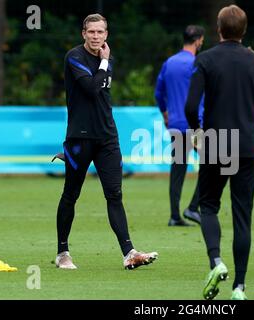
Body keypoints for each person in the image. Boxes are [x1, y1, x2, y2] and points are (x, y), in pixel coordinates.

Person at [185, 5, 254, 300]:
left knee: (209, 207)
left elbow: (190, 106)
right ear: (245, 30)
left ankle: (216, 261)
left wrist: (197, 131)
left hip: (216, 143)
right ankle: (239, 286)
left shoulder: (206, 59)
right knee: (242, 217)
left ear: (219, 28)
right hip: (248, 146)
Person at [55, 14, 158, 270]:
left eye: (100, 32)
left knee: (115, 195)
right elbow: (91, 88)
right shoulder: (75, 57)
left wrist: (104, 62)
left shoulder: (107, 58)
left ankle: (129, 252)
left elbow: (101, 89)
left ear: (106, 34)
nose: (96, 36)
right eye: (91, 32)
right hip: (79, 138)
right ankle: (62, 253)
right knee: (71, 194)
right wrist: (103, 62)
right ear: (83, 33)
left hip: (107, 137)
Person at [155, 25, 205, 227]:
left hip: (175, 123)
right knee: (214, 164)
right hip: (196, 123)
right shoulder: (198, 63)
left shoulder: (169, 63)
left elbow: (159, 93)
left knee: (178, 169)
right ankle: (193, 207)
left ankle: (175, 216)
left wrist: (166, 114)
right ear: (199, 40)